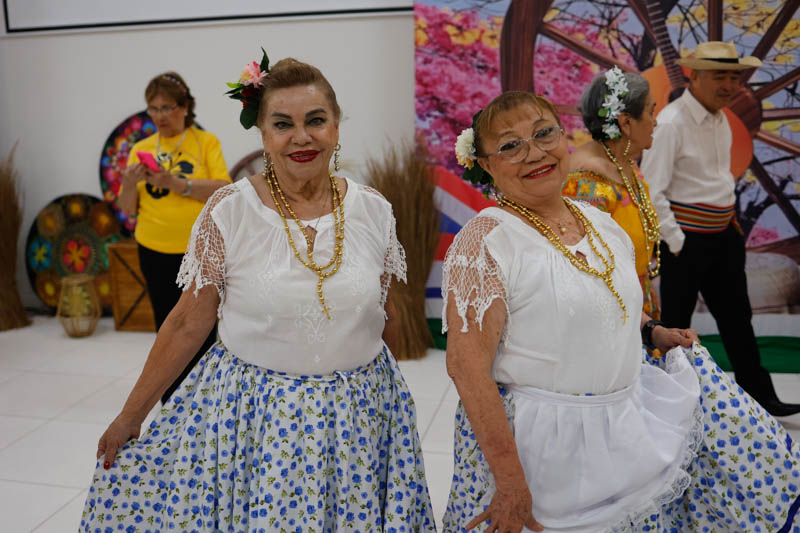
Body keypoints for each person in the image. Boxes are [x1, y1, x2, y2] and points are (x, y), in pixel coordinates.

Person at [81, 55, 435, 531]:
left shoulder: (373, 210)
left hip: (357, 417)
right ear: (263, 135)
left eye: (316, 121)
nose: (302, 137)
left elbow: (383, 311)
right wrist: (132, 414)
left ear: (336, 125)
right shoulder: (230, 210)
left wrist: (389, 407)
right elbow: (188, 321)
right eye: (282, 124)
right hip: (255, 421)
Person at [441, 90, 800, 532]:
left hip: (625, 424)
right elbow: (466, 366)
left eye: (543, 133)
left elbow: (602, 298)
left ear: (564, 137)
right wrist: (511, 482)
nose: (534, 152)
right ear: (487, 164)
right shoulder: (486, 242)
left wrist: (651, 332)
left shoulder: (597, 221)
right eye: (510, 145)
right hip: (546, 447)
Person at [640, 42, 800, 417]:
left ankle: (761, 398)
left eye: (734, 76)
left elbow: (719, 178)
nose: (730, 84)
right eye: (719, 76)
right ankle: (671, 407)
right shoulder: (670, 123)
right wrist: (678, 244)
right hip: (685, 240)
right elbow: (651, 189)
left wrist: (730, 225)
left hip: (724, 236)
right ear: (694, 75)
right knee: (676, 325)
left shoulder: (725, 119)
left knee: (738, 320)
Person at [119, 71, 231, 404]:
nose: (159, 116)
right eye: (153, 109)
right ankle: (172, 399)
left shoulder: (204, 141)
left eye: (167, 107)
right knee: (165, 326)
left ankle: (207, 398)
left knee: (201, 326)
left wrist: (177, 184)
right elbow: (129, 209)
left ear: (184, 107)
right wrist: (128, 183)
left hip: (198, 251)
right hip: (152, 248)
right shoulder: (140, 148)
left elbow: (223, 188)